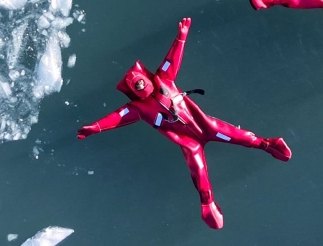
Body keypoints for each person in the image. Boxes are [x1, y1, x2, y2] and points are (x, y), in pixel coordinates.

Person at [76, 18, 291, 229]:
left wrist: (181, 37)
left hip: (204, 126)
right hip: (189, 142)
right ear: (133, 90)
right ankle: (207, 203)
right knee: (198, 169)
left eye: (141, 81)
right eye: (137, 86)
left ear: (146, 77)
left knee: (234, 135)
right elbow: (117, 117)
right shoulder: (137, 109)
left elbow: (172, 59)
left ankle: (267, 144)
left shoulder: (164, 79)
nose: (141, 85)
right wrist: (95, 128)